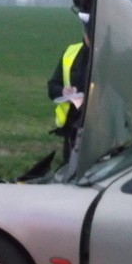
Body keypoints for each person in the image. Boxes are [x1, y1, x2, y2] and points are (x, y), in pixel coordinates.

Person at [47, 11, 91, 163]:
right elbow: (52, 87)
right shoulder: (71, 52)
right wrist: (63, 91)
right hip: (72, 130)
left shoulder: (109, 57)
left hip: (98, 133)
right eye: (89, 33)